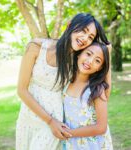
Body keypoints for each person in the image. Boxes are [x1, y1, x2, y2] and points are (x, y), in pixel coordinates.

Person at [16, 13, 111, 150]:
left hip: (54, 122)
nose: (85, 38)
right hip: (28, 115)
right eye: (83, 31)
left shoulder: (77, 61)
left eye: (90, 37)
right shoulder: (36, 47)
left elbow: (103, 94)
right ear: (70, 25)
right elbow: (21, 90)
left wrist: (108, 58)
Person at [62, 42, 113, 150]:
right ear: (79, 54)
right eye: (88, 54)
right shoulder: (65, 83)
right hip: (71, 144)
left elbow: (101, 127)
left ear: (99, 68)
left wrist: (70, 133)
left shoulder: (96, 89)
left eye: (97, 60)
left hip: (93, 145)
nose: (90, 61)